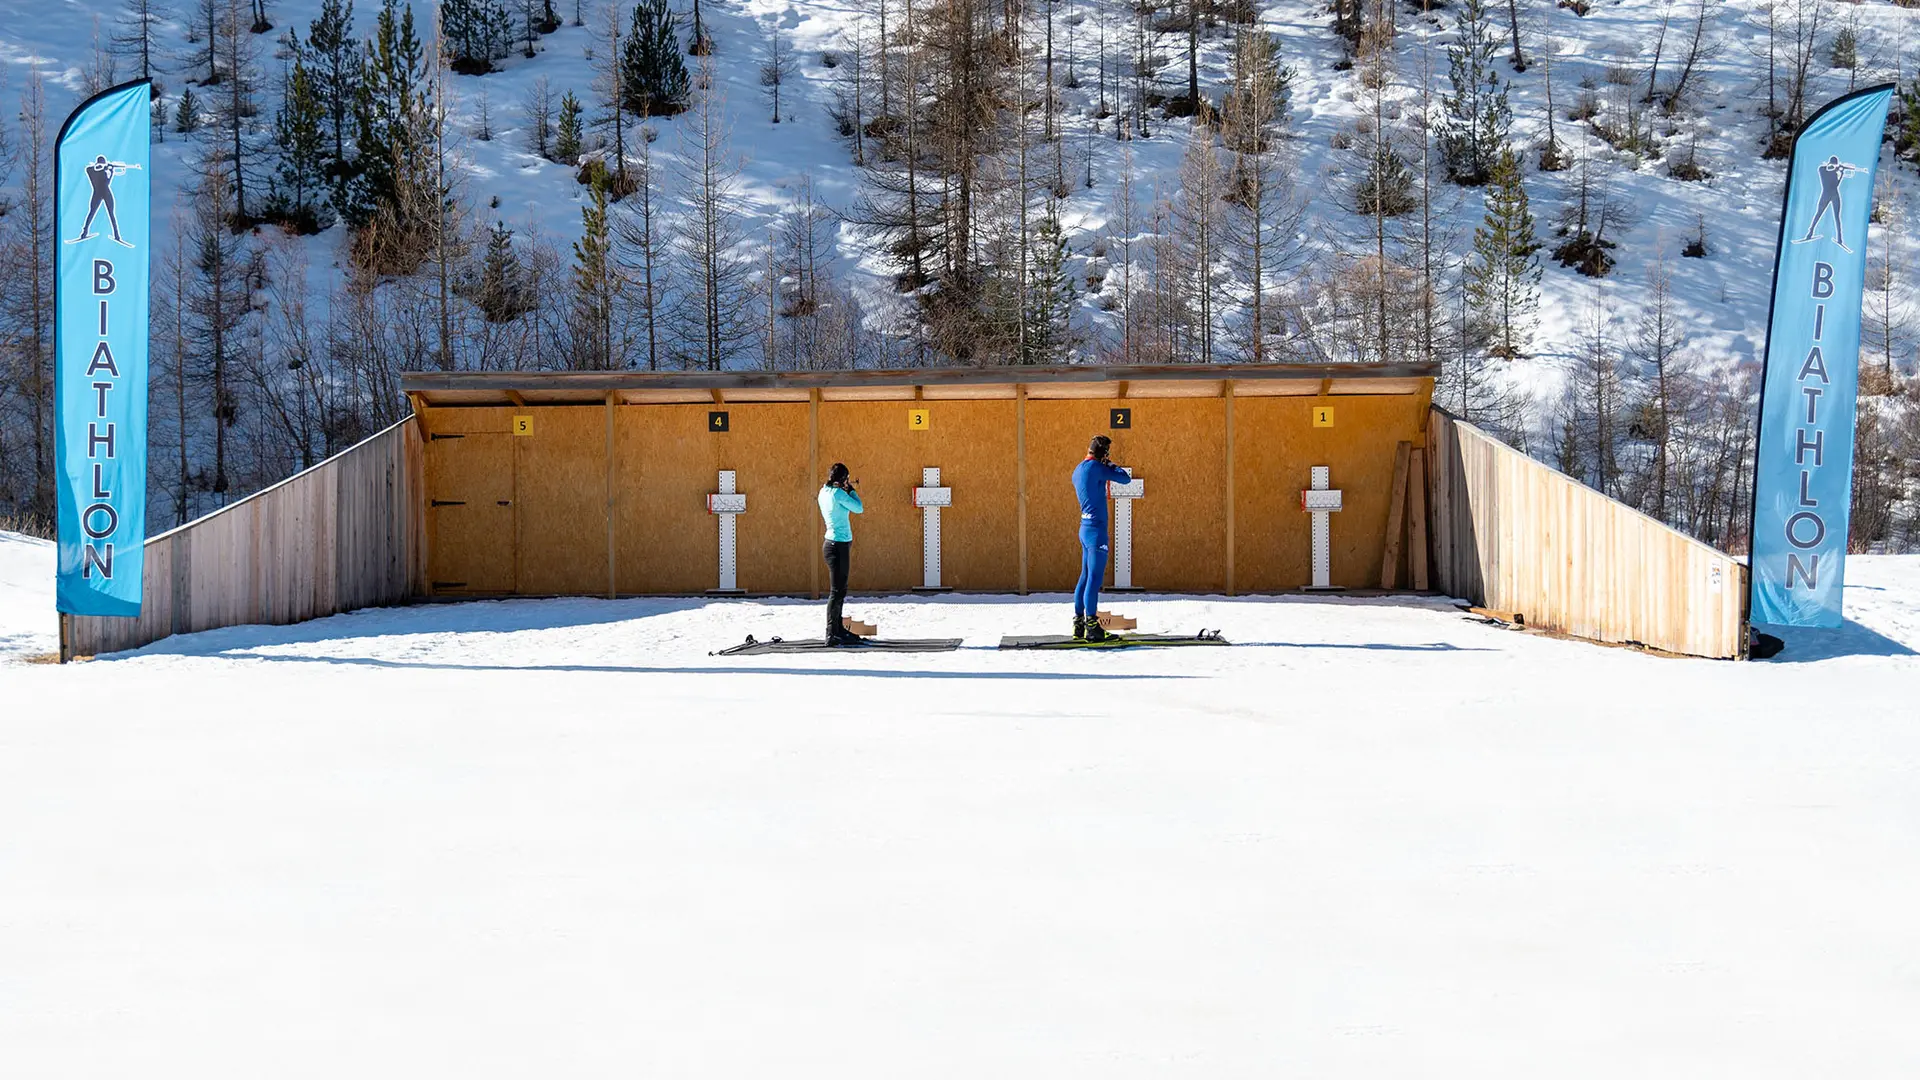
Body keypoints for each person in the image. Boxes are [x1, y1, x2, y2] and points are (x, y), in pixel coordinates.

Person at [1071, 435, 1132, 641]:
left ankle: (1079, 624)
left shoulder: (1078, 470)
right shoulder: (1097, 468)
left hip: (1084, 528)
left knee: (1085, 576)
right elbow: (1125, 478)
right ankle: (1092, 627)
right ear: (1102, 453)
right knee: (1094, 579)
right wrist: (1111, 464)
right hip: (1097, 532)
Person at [818, 462, 865, 645]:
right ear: (843, 479)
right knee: (836, 592)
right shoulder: (838, 494)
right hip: (838, 546)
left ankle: (838, 629)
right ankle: (831, 633)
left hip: (832, 544)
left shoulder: (824, 491)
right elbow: (859, 508)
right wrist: (851, 490)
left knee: (839, 591)